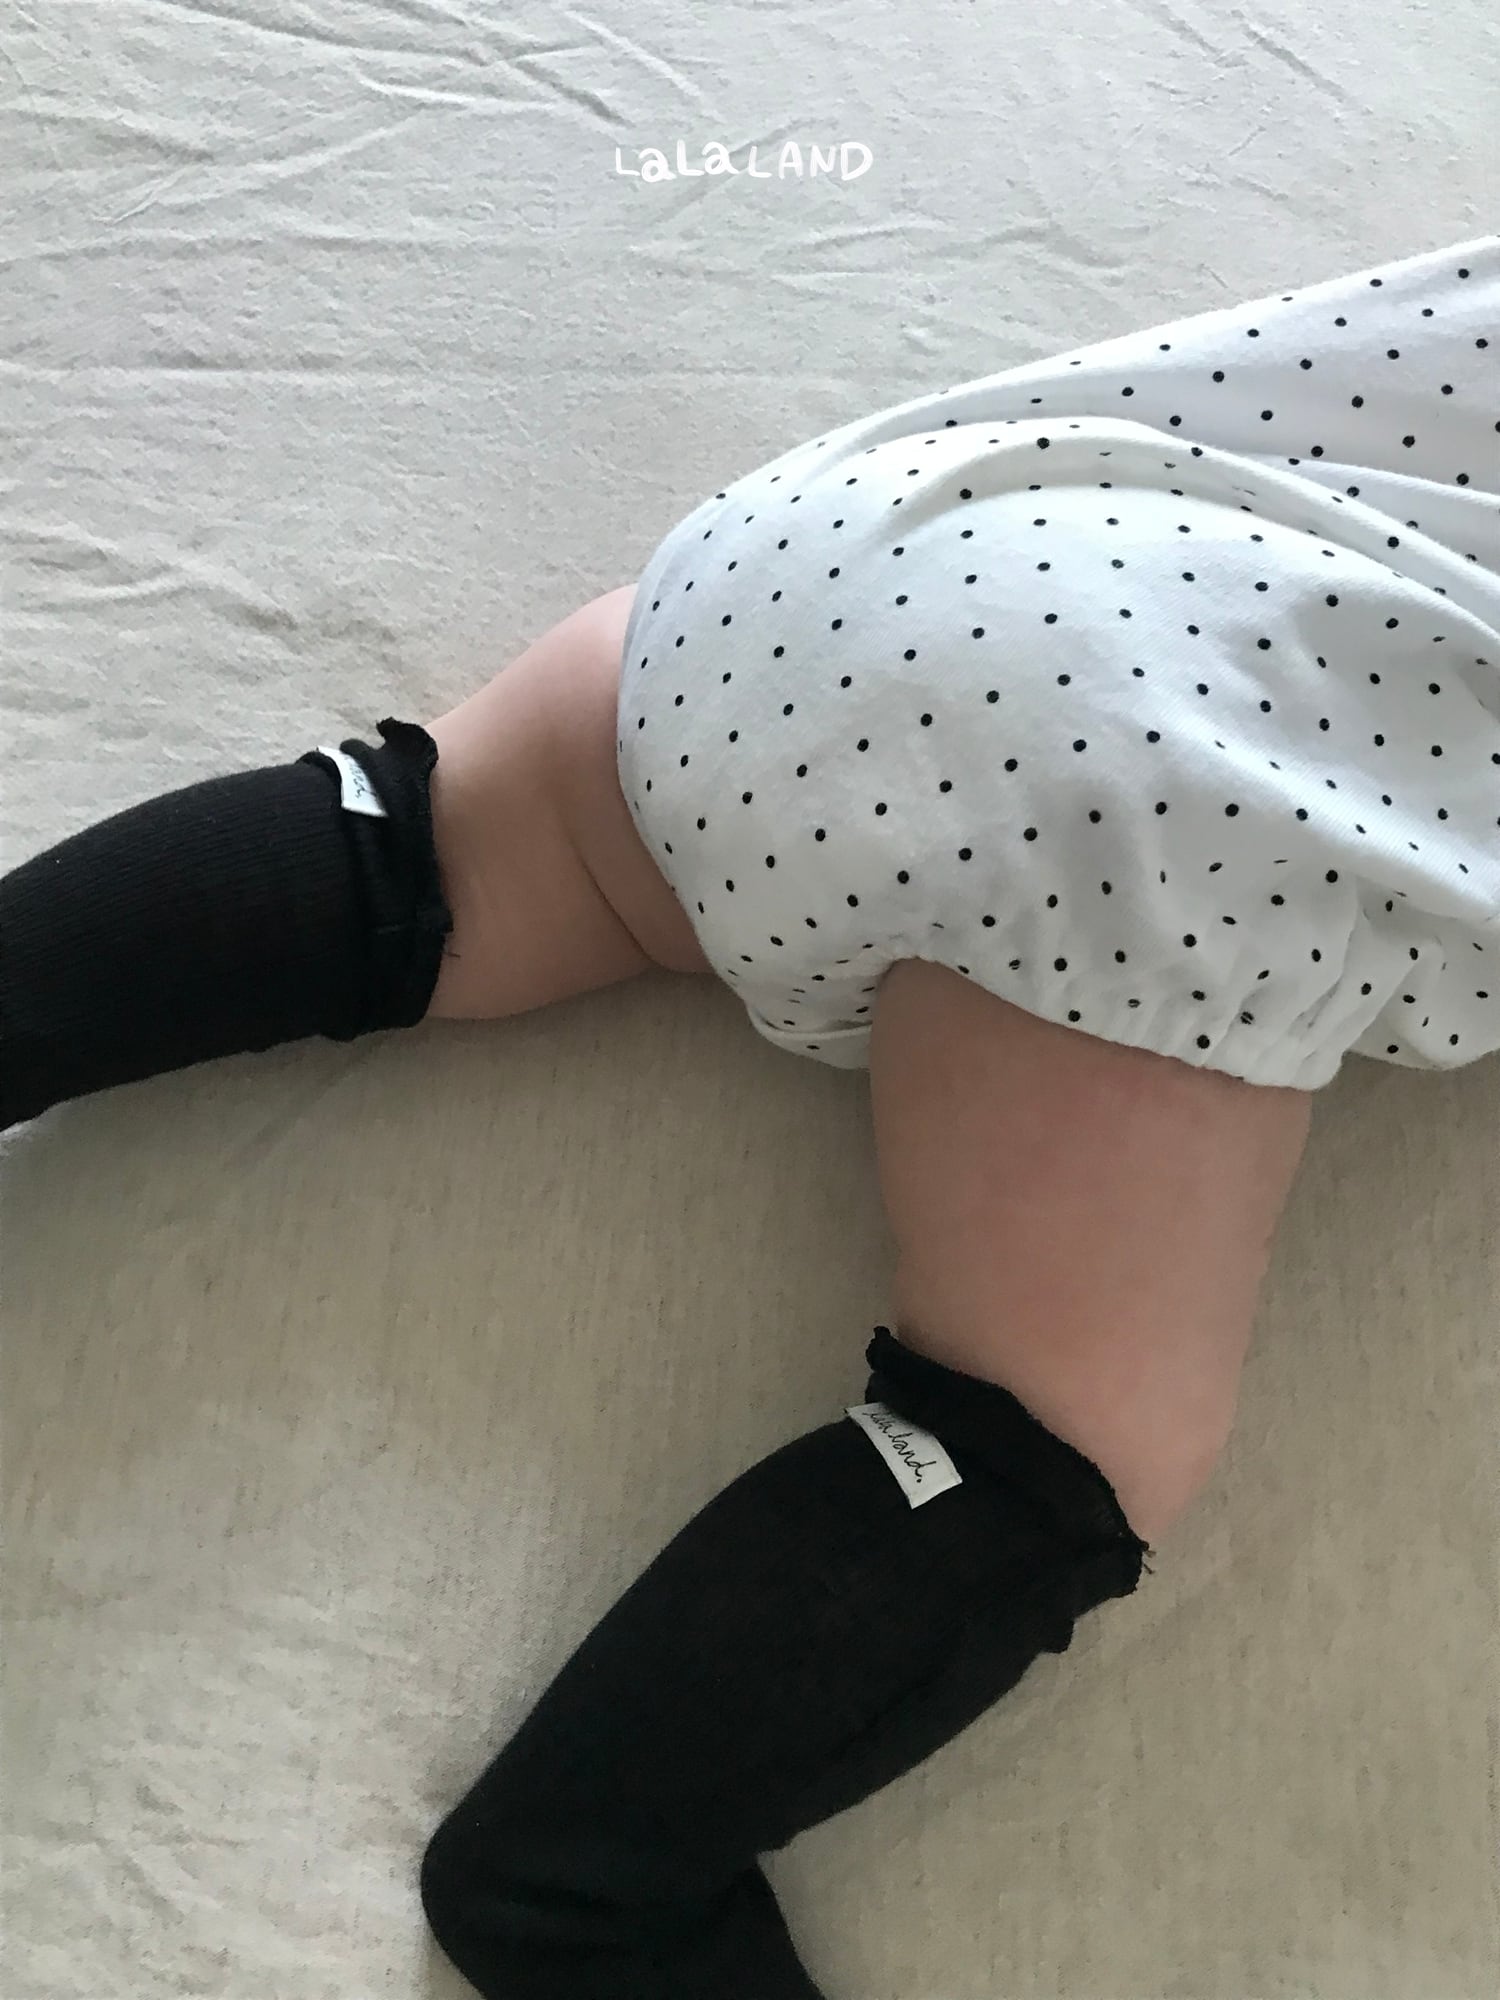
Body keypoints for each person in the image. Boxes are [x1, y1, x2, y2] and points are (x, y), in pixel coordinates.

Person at [3, 237, 1495, 2000]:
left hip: (884, 566)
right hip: (1160, 801)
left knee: (425, 852)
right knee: (1053, 1446)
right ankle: (586, 1885)